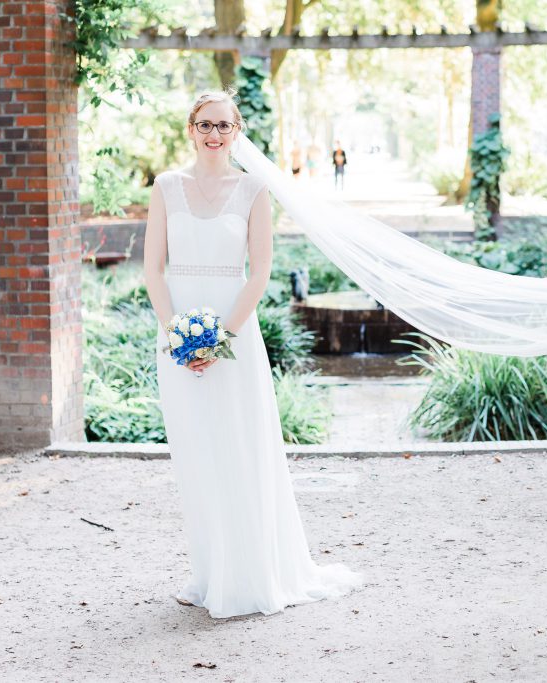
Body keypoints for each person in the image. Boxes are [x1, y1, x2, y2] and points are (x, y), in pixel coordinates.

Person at [143, 89, 363, 619]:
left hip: (234, 336)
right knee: (197, 456)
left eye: (224, 124)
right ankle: (209, 574)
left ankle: (250, 576)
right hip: (177, 340)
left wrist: (219, 340)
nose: (214, 133)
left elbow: (260, 272)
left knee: (240, 450)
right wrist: (179, 336)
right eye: (205, 124)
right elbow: (153, 271)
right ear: (190, 129)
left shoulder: (254, 190)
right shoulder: (166, 188)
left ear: (237, 131)